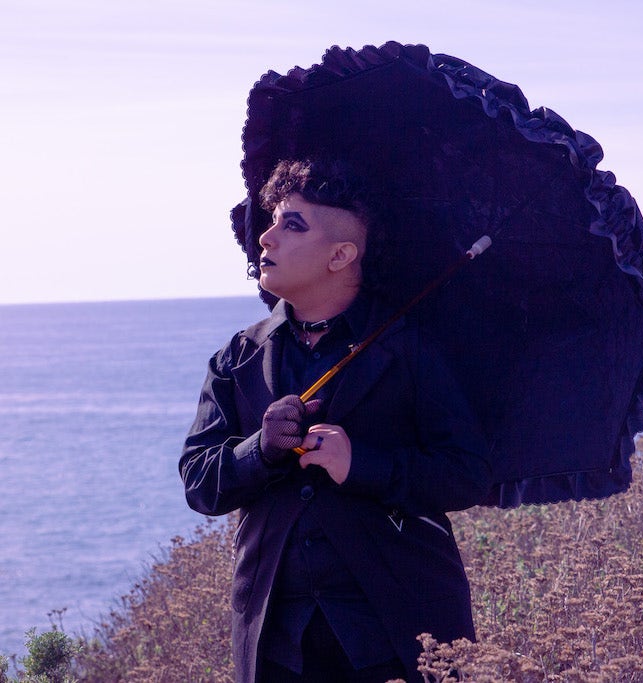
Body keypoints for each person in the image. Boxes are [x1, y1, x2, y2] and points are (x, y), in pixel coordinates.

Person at [179, 158, 492, 683]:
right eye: (272, 221)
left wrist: (361, 464)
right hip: (276, 645)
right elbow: (199, 484)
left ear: (341, 255)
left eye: (292, 225)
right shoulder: (238, 357)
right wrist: (260, 449)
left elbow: (467, 473)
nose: (266, 238)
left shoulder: (410, 349)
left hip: (402, 634)